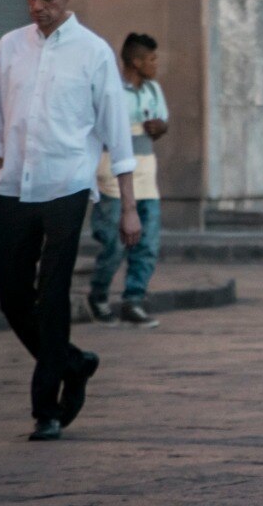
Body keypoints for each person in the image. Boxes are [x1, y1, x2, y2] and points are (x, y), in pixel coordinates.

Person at [0, 0, 140, 441]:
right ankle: (74, 362)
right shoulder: (9, 47)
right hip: (14, 189)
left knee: (51, 297)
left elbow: (117, 133)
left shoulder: (93, 53)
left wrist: (128, 207)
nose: (37, 6)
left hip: (68, 187)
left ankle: (46, 409)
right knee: (12, 297)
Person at [88, 33, 169, 327]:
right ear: (135, 61)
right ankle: (98, 294)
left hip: (147, 180)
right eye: (151, 59)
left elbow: (162, 125)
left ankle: (133, 300)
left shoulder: (153, 90)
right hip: (113, 179)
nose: (155, 64)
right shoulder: (111, 90)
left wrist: (159, 127)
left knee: (147, 243)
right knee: (113, 242)